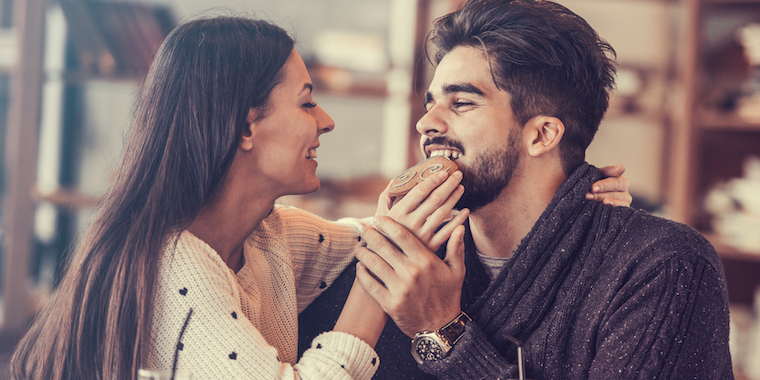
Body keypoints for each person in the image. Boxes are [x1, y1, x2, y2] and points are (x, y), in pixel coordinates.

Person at [11, 14, 629, 380]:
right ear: (246, 125)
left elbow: (378, 237)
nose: (326, 119)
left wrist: (572, 207)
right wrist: (380, 277)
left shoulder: (269, 235)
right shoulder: (174, 262)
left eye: (459, 101)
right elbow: (384, 253)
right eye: (306, 101)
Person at [300, 0, 734, 379]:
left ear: (542, 135)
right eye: (431, 101)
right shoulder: (397, 256)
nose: (426, 122)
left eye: (462, 102)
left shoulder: (665, 267)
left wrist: (441, 328)